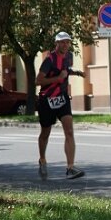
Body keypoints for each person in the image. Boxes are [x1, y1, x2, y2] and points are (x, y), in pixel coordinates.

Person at [36, 31, 85, 180]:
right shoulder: (49, 60)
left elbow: (66, 71)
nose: (65, 45)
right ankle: (42, 159)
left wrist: (77, 73)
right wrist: (58, 78)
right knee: (45, 133)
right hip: (47, 100)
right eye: (62, 42)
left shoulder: (68, 57)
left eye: (67, 42)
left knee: (69, 131)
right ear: (56, 44)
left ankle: (70, 167)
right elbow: (38, 81)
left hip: (62, 98)